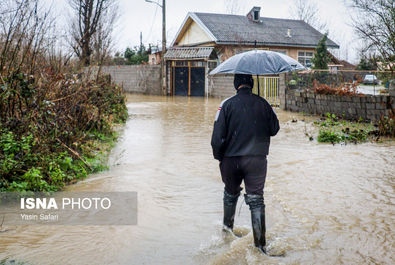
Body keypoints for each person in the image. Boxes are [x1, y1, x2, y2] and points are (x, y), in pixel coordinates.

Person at [211, 74, 280, 254]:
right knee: (256, 200)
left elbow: (217, 138)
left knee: (230, 194)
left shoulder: (226, 105)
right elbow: (275, 129)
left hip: (230, 160)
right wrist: (266, 109)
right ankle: (260, 248)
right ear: (252, 83)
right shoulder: (264, 104)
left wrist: (220, 158)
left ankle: (227, 233)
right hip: (256, 160)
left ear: (236, 85)